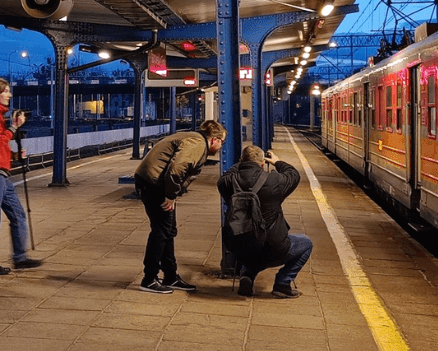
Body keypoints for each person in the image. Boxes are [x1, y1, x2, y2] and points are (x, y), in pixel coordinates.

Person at [133, 119, 226, 293]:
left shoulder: (194, 139)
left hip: (153, 182)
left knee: (167, 230)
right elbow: (177, 169)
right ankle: (149, 279)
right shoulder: (197, 143)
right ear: (214, 139)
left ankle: (170, 276)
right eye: (222, 142)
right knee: (161, 231)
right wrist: (170, 195)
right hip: (153, 184)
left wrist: (172, 193)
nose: (221, 146)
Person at [217, 144, 310, 298]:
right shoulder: (275, 181)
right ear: (262, 164)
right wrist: (277, 162)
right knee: (306, 243)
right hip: (273, 247)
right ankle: (282, 283)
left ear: (242, 161)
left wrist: (240, 163)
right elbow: (293, 174)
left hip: (238, 248)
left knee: (250, 245)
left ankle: (247, 274)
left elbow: (226, 176)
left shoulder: (228, 182)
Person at [0, 77, 42, 273]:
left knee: (19, 214)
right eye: (5, 91)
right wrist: (15, 127)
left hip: (4, 174)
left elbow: (2, 147)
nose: (9, 94)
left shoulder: (0, 116)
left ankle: (20, 257)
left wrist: (14, 155)